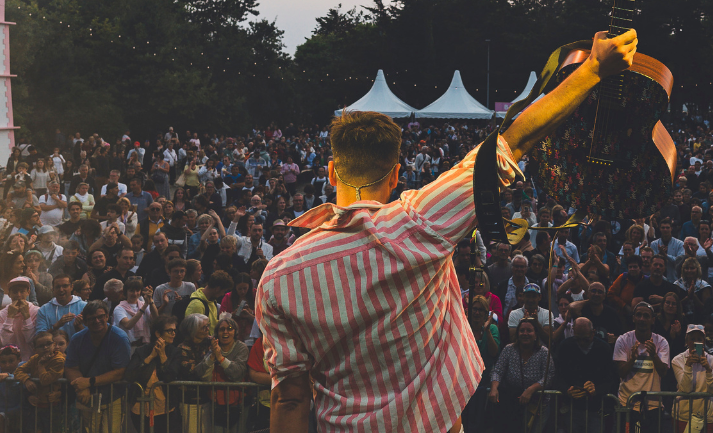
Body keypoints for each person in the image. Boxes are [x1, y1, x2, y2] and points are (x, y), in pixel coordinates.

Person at [257, 29, 637, 432]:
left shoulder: (281, 275)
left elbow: (290, 397)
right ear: (396, 176)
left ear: (332, 171)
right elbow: (512, 143)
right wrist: (594, 68)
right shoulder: (419, 221)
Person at [65, 300, 131, 433]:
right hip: (88, 398)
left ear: (107, 316)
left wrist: (89, 382)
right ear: (85, 320)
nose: (97, 321)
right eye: (91, 318)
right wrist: (81, 387)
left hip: (114, 396)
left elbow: (120, 371)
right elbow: (71, 367)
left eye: (100, 316)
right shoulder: (77, 339)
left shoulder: (119, 338)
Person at [553, 317, 615, 433]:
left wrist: (597, 389)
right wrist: (567, 390)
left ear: (593, 333)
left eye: (585, 339)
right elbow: (557, 376)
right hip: (571, 408)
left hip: (596, 409)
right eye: (578, 339)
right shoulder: (565, 346)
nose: (581, 343)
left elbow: (611, 379)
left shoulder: (604, 348)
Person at [489, 318, 551, 433]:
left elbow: (548, 376)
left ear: (535, 334)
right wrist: (494, 388)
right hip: (513, 403)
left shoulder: (543, 352)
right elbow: (498, 370)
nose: (525, 333)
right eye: (522, 330)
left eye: (529, 330)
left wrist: (531, 389)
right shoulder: (509, 349)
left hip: (538, 404)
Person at [616, 301, 670, 432]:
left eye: (646, 316)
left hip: (653, 404)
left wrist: (654, 356)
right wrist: (632, 359)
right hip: (627, 403)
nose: (642, 319)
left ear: (652, 320)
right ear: (633, 318)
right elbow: (621, 373)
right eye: (638, 315)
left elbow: (663, 372)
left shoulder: (661, 342)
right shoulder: (623, 340)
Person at [671, 324, 713, 432]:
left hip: (708, 416)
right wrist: (688, 366)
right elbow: (686, 389)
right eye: (692, 339)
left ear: (704, 342)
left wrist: (708, 369)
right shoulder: (677, 360)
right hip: (683, 415)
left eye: (699, 339)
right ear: (686, 341)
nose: (695, 342)